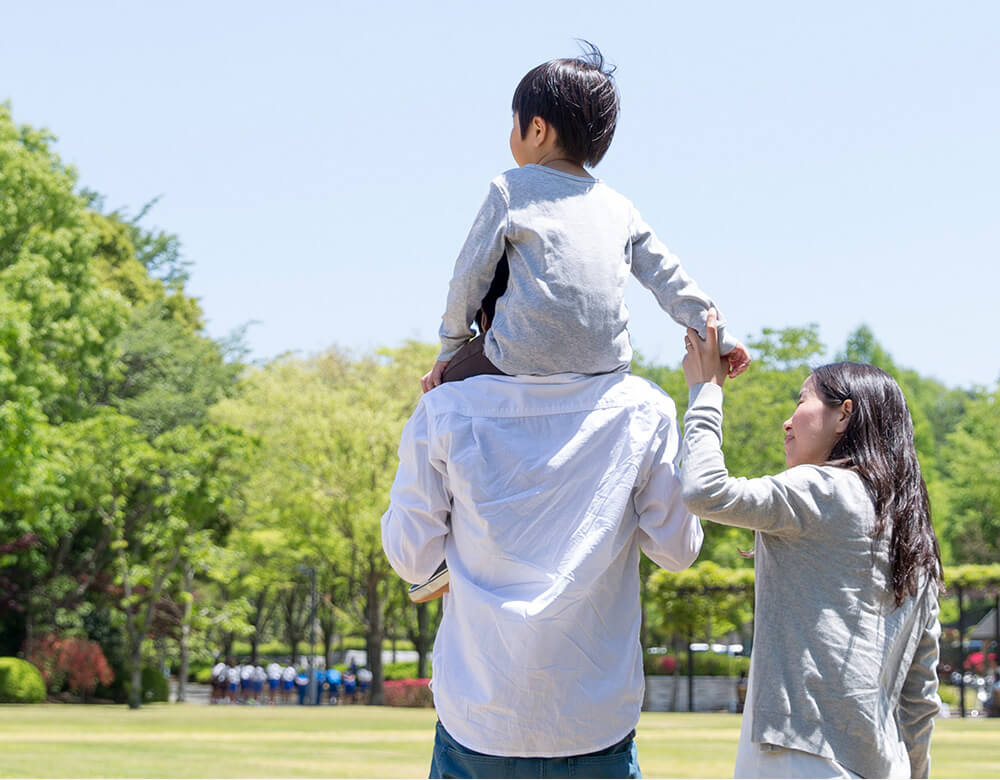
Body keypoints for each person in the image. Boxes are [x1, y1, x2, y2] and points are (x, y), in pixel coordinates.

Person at [382, 362, 704, 777]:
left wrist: (423, 437)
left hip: (479, 715)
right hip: (594, 719)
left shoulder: (445, 410)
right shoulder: (643, 406)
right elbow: (677, 551)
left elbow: (412, 559)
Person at [678, 311, 943, 779]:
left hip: (801, 755)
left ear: (844, 414)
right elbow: (919, 698)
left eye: (801, 401)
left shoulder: (824, 488)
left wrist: (706, 391)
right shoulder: (915, 535)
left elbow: (704, 490)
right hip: (882, 764)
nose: (787, 421)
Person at [422, 43, 749, 392]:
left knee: (441, 389)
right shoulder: (619, 206)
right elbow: (667, 276)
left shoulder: (510, 188)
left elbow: (470, 275)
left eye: (512, 123)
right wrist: (721, 335)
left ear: (536, 129)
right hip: (604, 363)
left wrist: (451, 346)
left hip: (521, 354)